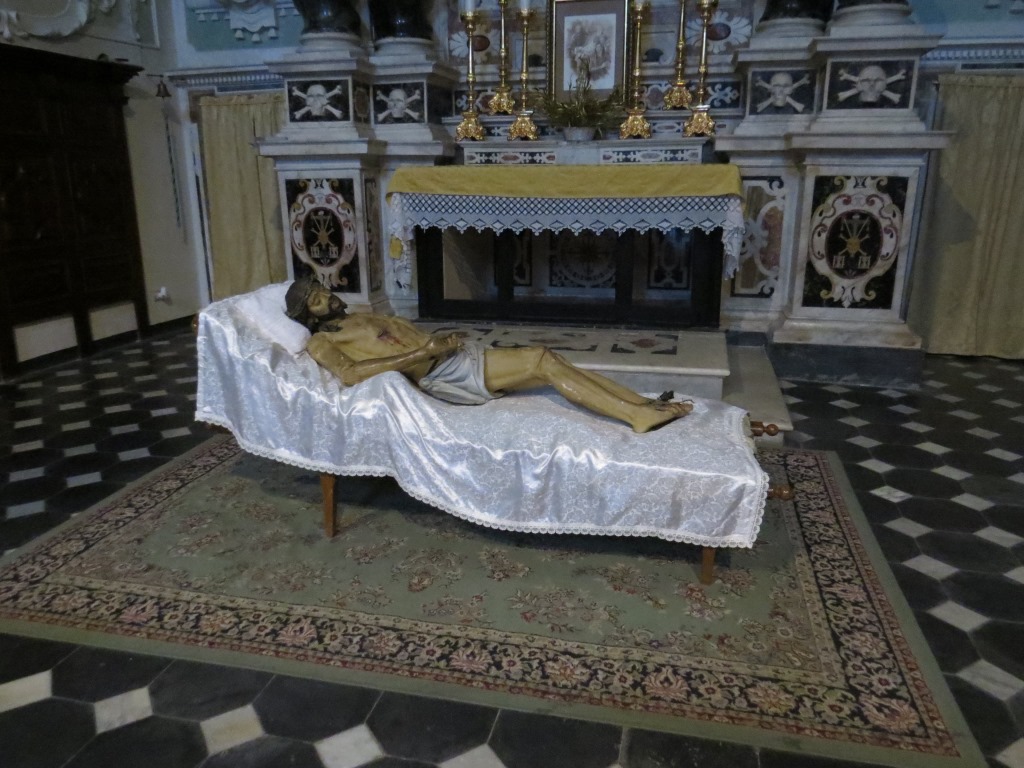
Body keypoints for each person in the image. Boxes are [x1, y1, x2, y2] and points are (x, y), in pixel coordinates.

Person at [284, 275, 693, 433]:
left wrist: (436, 341)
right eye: (316, 301)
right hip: (443, 375)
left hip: (455, 356)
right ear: (308, 316)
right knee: (541, 359)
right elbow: (352, 374)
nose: (326, 297)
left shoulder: (360, 314)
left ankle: (642, 404)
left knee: (554, 362)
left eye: (322, 290)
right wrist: (424, 351)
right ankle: (635, 416)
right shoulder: (322, 342)